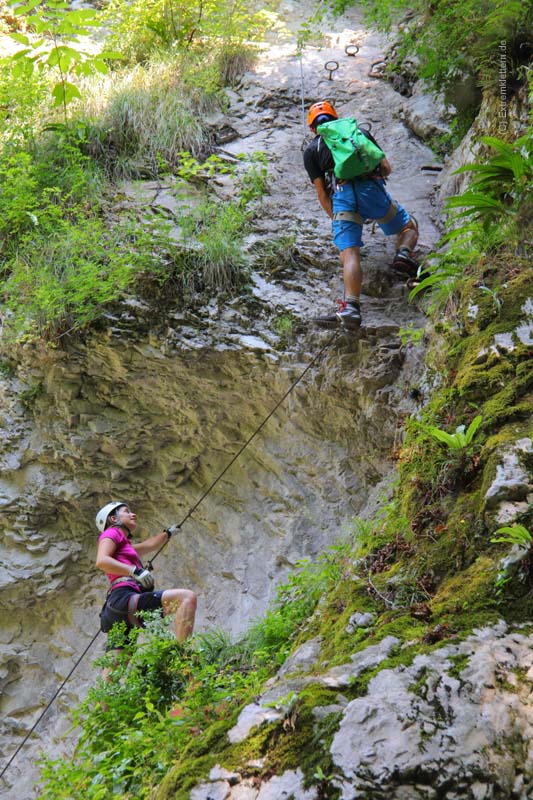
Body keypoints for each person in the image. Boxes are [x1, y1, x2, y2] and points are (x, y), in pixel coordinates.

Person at [303, 100, 420, 330]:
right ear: (336, 119)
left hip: (342, 196)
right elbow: (386, 168)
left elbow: (322, 195)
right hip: (371, 191)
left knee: (349, 253)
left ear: (312, 128)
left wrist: (337, 220)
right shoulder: (358, 133)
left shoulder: (311, 151)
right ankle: (404, 254)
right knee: (409, 227)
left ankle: (351, 308)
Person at [96, 501, 197, 650]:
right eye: (126, 511)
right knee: (186, 598)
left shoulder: (125, 547)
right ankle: (184, 659)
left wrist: (167, 533)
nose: (133, 514)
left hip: (117, 609)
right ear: (113, 519)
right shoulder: (112, 532)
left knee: (114, 667)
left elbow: (149, 545)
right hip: (124, 598)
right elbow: (102, 560)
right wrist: (134, 571)